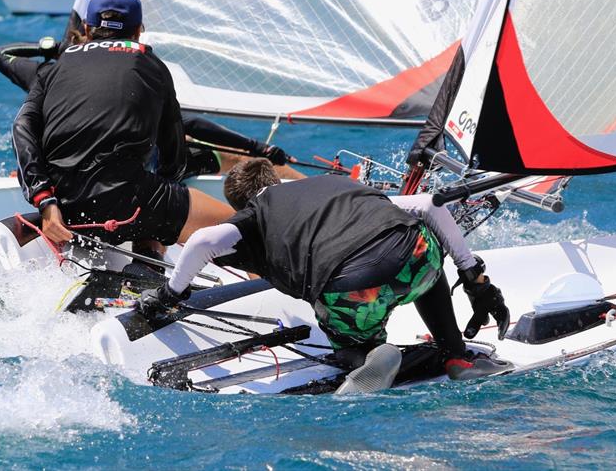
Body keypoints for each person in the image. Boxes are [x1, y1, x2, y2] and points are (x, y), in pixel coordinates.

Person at [139, 158, 511, 381]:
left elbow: (203, 242)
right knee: (417, 252)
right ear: (273, 179)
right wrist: (475, 280)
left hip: (353, 288)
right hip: (416, 260)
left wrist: (171, 293)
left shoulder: (256, 214)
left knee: (347, 339)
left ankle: (366, 356)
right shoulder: (336, 184)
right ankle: (456, 354)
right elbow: (431, 205)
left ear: (242, 202)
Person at [12, 0, 234, 248]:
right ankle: (148, 268)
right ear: (139, 30)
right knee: (248, 232)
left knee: (152, 197)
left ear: (86, 28)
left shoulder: (53, 69)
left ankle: (142, 266)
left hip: (62, 210)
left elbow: (22, 126)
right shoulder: (152, 65)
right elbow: (173, 159)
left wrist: (45, 200)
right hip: (128, 206)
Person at [0, 39, 304, 181]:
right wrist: (259, 147)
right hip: (132, 176)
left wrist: (50, 48)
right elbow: (186, 123)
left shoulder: (43, 75)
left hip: (63, 175)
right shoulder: (130, 72)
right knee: (241, 159)